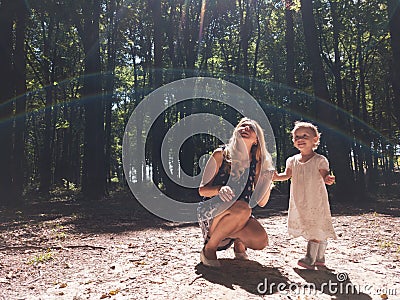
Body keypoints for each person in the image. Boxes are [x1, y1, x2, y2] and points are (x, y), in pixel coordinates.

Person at [198, 117, 275, 267]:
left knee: (261, 240)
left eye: (251, 128)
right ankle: (209, 248)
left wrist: (267, 180)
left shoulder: (257, 163)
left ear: (257, 140)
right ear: (235, 132)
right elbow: (202, 191)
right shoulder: (220, 154)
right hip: (213, 213)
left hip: (241, 214)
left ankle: (238, 240)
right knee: (244, 208)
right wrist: (219, 190)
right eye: (242, 126)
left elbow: (262, 202)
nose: (246, 128)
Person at [273, 121, 337, 269]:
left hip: (315, 199)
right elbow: (287, 175)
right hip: (300, 200)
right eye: (296, 137)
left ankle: (310, 257)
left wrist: (328, 179)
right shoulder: (292, 160)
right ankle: (320, 257)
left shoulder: (319, 160)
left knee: (315, 225)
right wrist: (276, 177)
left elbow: (325, 175)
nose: (300, 139)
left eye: (305, 136)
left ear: (315, 139)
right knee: (308, 223)